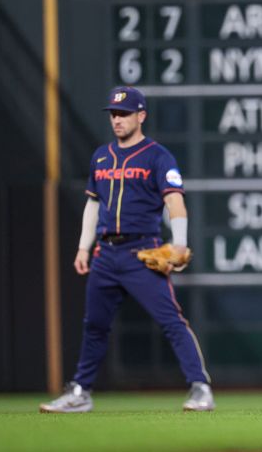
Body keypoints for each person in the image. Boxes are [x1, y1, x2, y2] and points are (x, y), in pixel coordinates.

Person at [40, 86, 214, 413]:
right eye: (114, 114)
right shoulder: (101, 156)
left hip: (141, 253)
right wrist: (82, 247)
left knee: (171, 321)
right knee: (94, 325)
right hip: (105, 254)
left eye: (124, 114)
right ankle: (80, 391)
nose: (117, 120)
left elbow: (175, 201)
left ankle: (200, 388)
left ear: (141, 116)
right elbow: (93, 204)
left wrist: (179, 244)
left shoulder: (158, 156)